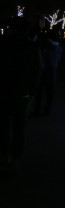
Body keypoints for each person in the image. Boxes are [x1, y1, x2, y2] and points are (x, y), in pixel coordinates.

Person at [0, 16, 42, 173]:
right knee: (19, 127)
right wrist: (32, 92)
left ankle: (4, 155)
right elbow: (37, 71)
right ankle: (15, 158)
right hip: (22, 92)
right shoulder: (31, 47)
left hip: (3, 91)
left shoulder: (3, 45)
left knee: (3, 125)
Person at [32, 28, 62, 117]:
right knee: (50, 93)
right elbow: (58, 58)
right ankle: (47, 110)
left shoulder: (44, 46)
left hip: (43, 70)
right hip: (52, 71)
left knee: (39, 92)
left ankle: (37, 109)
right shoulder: (58, 47)